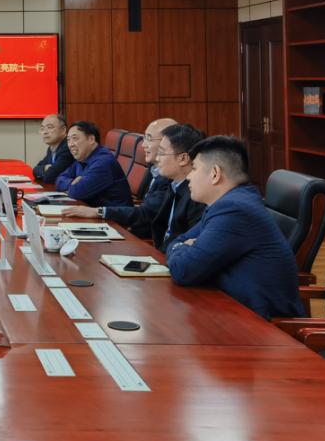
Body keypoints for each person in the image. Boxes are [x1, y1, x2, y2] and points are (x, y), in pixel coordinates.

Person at [166, 136, 303, 320]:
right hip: (233, 312)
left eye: (195, 168)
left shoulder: (234, 210)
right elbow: (178, 240)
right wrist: (184, 246)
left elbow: (184, 270)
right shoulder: (228, 203)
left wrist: (182, 248)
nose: (189, 176)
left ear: (215, 173)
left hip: (263, 327)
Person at [63, 122, 205, 252]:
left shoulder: (195, 195)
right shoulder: (172, 183)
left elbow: (150, 218)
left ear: (183, 158)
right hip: (150, 242)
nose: (157, 158)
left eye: (161, 153)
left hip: (159, 250)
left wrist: (99, 212)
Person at [54, 120, 131, 208]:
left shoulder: (103, 163)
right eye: (68, 140)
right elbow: (59, 180)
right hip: (91, 210)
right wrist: (71, 183)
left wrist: (72, 187)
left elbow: (77, 192)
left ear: (91, 139)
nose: (70, 144)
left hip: (112, 215)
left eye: (75, 138)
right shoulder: (82, 158)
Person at [32, 113, 72, 185]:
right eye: (42, 128)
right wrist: (45, 168)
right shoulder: (51, 148)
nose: (45, 132)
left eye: (49, 127)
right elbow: (35, 169)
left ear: (63, 130)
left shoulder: (68, 147)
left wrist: (47, 170)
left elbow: (50, 177)